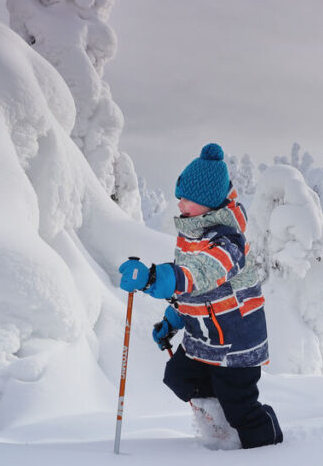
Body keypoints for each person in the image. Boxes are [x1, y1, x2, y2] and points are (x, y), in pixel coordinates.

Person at [119, 143, 283, 449]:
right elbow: (194, 294)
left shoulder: (227, 242)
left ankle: (267, 451)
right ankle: (222, 426)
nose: (179, 202)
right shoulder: (190, 236)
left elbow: (199, 274)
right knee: (179, 378)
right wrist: (172, 320)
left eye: (187, 198)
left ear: (207, 201)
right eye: (179, 195)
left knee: (241, 408)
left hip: (235, 345)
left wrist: (152, 277)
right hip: (205, 340)